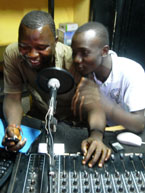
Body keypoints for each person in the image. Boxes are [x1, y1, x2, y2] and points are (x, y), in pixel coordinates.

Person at [70, 21, 145, 167]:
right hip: (106, 130)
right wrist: (96, 137)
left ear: (104, 51)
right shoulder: (88, 70)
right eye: (74, 53)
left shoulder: (131, 72)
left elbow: (139, 124)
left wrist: (104, 103)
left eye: (84, 53)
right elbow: (96, 110)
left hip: (133, 133)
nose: (76, 60)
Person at [2, 10, 73, 152]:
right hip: (40, 116)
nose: (32, 55)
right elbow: (13, 97)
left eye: (41, 48)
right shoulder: (12, 54)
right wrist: (13, 128)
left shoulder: (72, 59)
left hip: (72, 121)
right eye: (24, 47)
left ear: (55, 42)